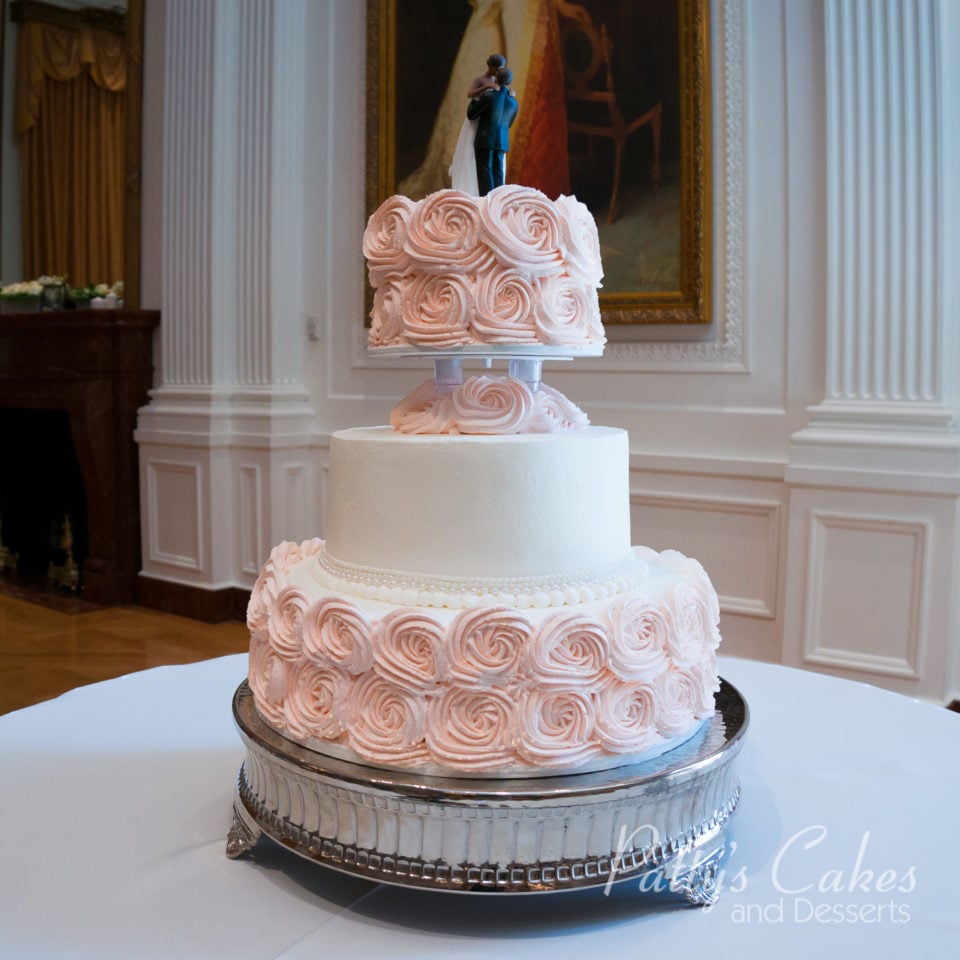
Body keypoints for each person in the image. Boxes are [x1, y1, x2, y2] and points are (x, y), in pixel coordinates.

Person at [450, 54, 507, 194]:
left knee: (492, 162)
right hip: (477, 120)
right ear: (491, 66)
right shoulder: (480, 80)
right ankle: (471, 188)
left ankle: (493, 192)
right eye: (497, 68)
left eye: (501, 69)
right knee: (472, 154)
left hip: (491, 123)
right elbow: (470, 93)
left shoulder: (500, 82)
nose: (498, 72)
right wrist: (486, 87)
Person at [467, 67, 518, 195]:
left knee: (485, 171)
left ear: (496, 79)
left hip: (486, 138)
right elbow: (509, 123)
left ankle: (487, 202)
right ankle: (497, 200)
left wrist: (475, 100)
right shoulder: (513, 103)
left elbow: (471, 114)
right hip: (502, 141)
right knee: (498, 172)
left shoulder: (489, 96)